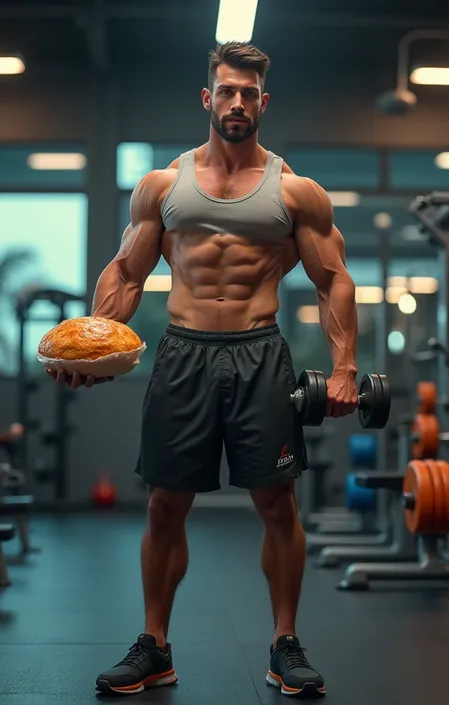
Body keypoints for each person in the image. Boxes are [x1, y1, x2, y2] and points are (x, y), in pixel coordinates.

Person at [48, 41, 358, 698]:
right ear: (207, 98)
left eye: (249, 93)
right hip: (183, 353)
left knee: (277, 503)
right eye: (227, 91)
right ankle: (153, 645)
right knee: (164, 506)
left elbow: (334, 280)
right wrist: (97, 341)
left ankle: (285, 642)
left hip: (259, 353)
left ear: (263, 102)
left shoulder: (295, 191)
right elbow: (127, 272)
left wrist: (344, 368)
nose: (238, 102)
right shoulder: (164, 186)